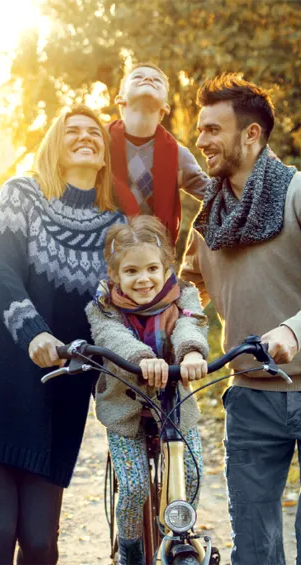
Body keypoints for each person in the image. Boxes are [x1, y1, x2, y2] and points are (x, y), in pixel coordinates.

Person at [180, 73, 301, 565]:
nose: (201, 142)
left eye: (213, 130)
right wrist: (188, 341)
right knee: (256, 552)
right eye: (200, 130)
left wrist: (294, 330)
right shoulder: (208, 218)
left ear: (251, 135)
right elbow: (187, 293)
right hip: (251, 401)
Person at [0, 105, 126, 564]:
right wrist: (34, 334)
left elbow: (121, 305)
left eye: (95, 133)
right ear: (54, 146)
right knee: (0, 533)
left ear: (105, 154)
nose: (85, 137)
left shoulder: (115, 226)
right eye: (73, 131)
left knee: (41, 543)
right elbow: (3, 272)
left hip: (57, 397)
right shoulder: (21, 194)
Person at [86, 215, 209, 565]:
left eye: (153, 268)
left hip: (173, 405)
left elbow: (190, 324)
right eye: (131, 272)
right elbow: (113, 338)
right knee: (134, 487)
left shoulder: (183, 295)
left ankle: (181, 532)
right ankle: (130, 550)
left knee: (194, 473)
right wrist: (141, 358)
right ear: (115, 275)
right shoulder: (103, 306)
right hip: (125, 411)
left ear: (166, 266)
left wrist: (193, 351)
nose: (144, 279)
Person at [108, 63, 210, 243]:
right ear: (120, 99)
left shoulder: (178, 155)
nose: (148, 79)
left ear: (166, 108)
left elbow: (216, 195)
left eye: (157, 80)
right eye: (138, 77)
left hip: (154, 257)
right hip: (102, 254)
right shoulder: (99, 143)